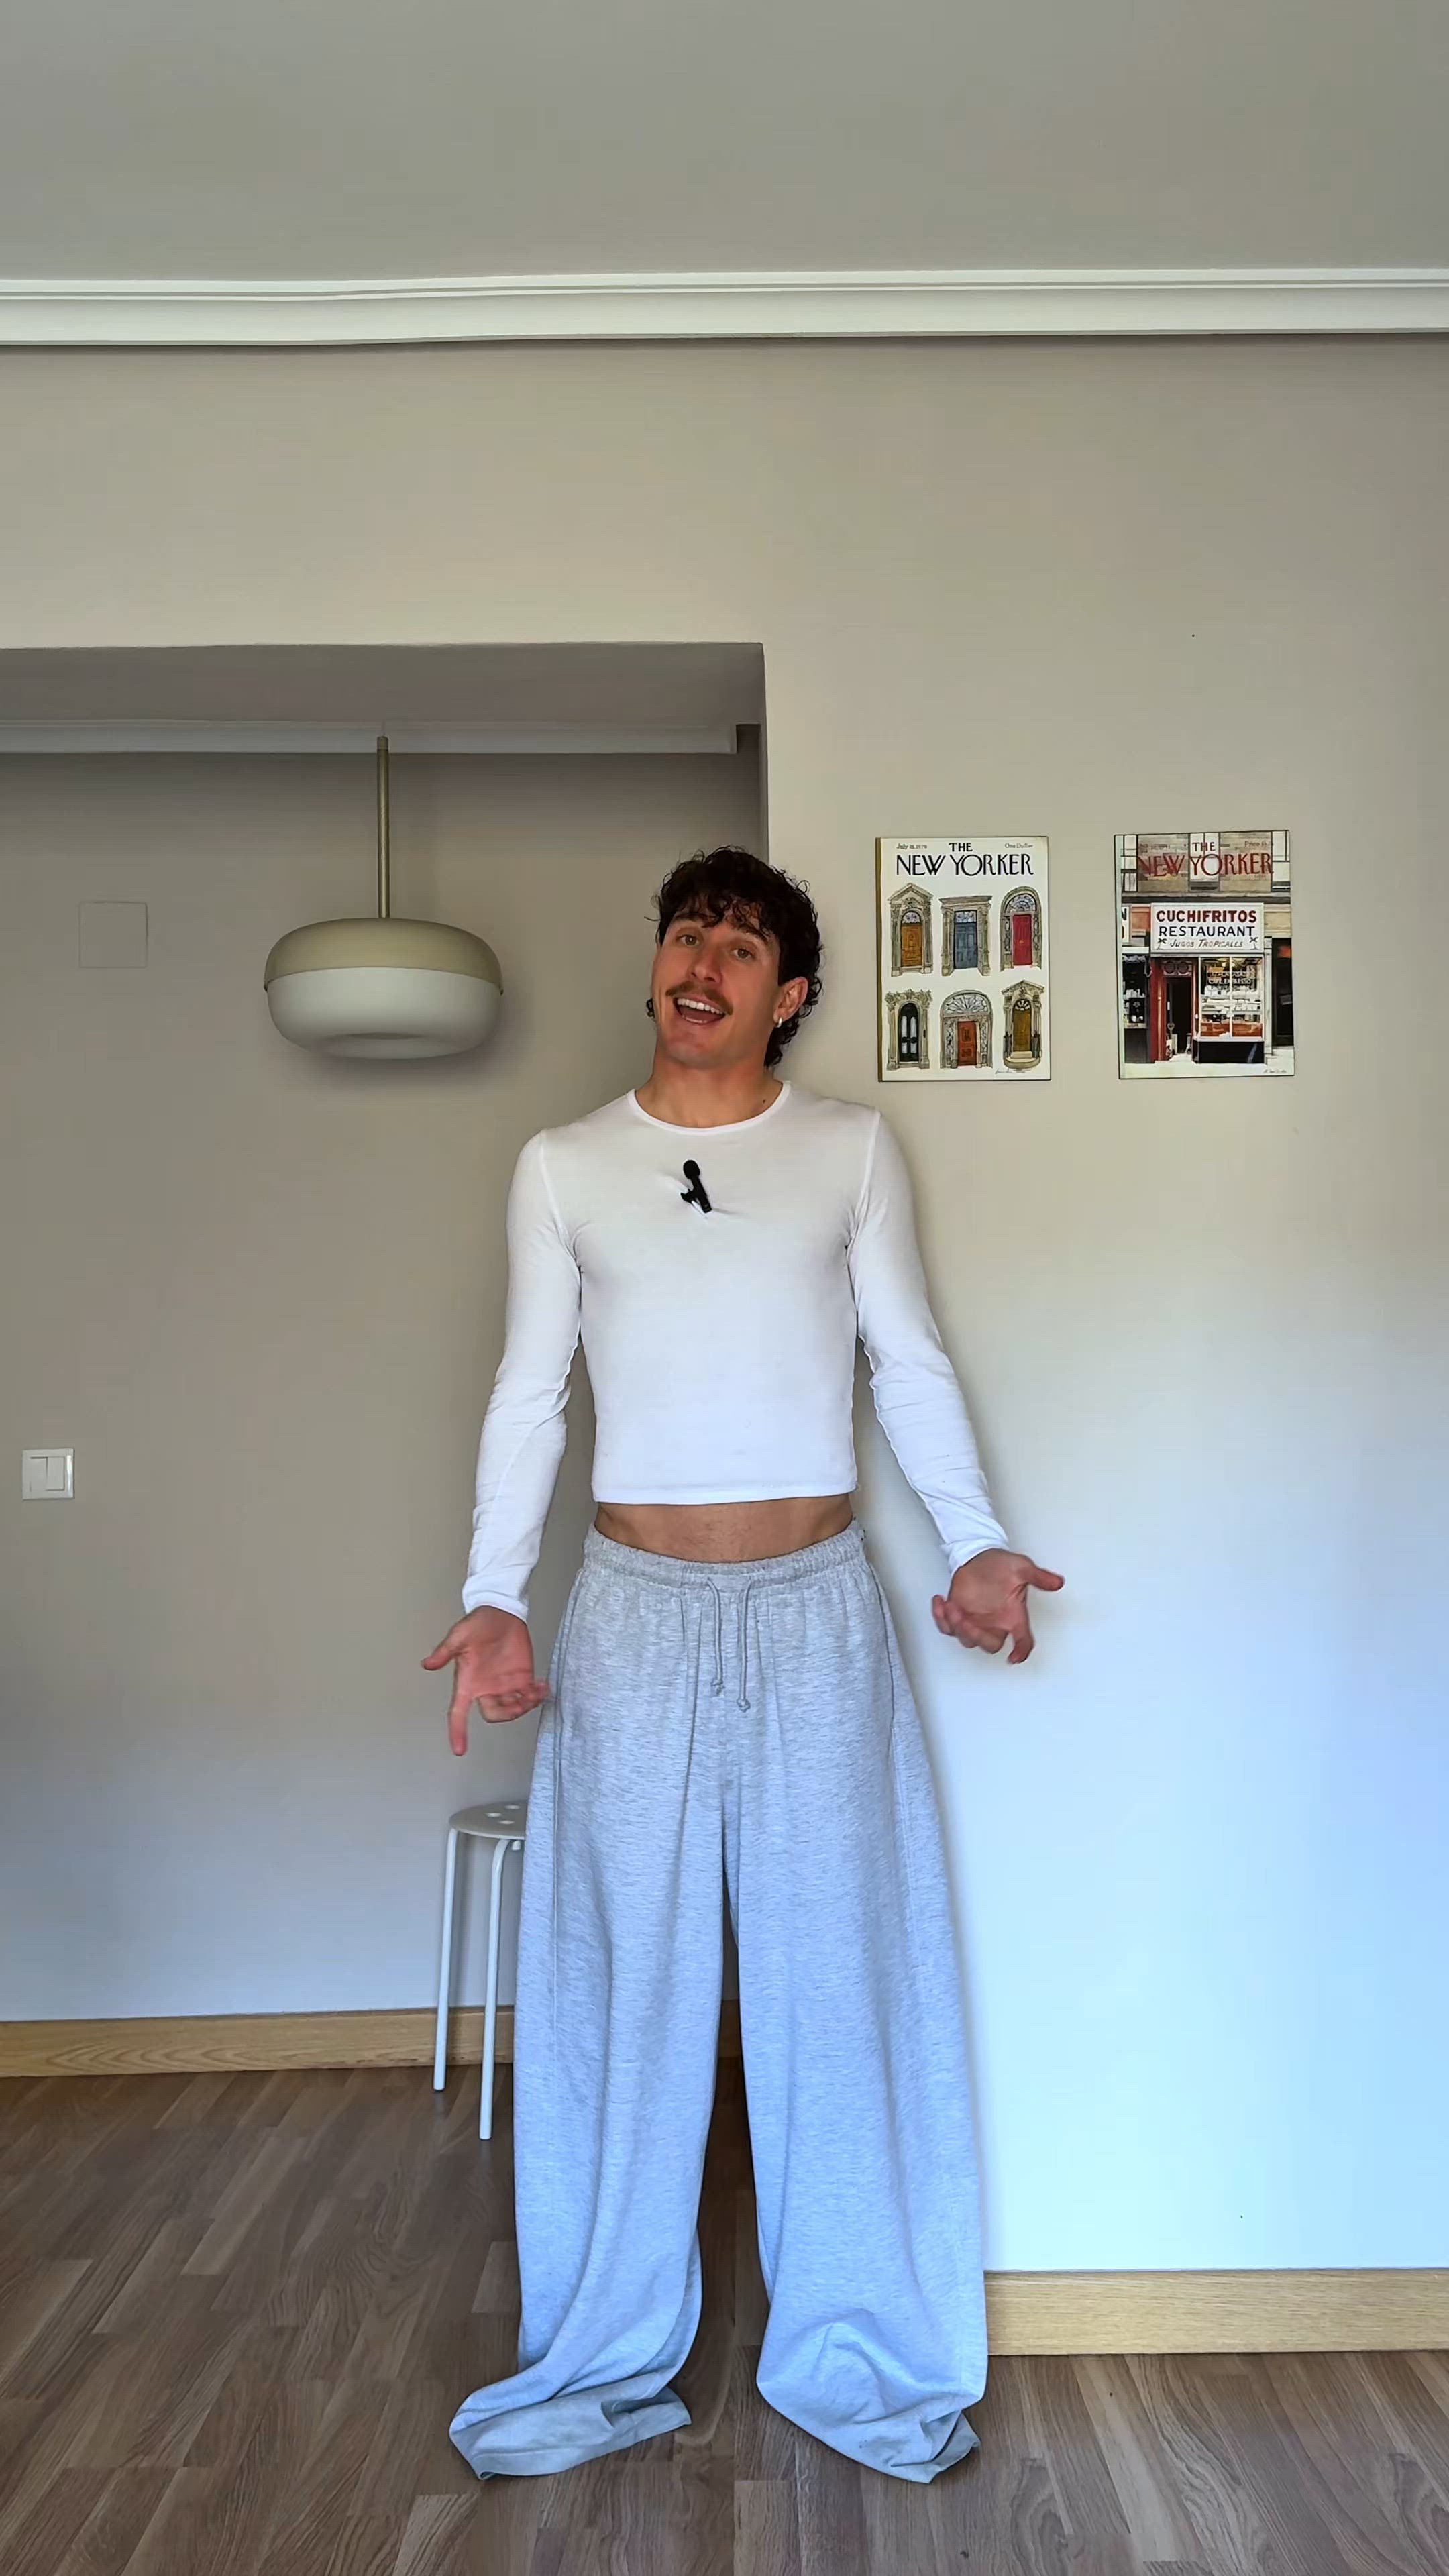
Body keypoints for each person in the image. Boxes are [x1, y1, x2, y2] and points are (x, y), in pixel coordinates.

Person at [425, 845, 1063, 2487]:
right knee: (619, 1986)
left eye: (743, 947)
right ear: (658, 964)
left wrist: (978, 1539)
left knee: (836, 1981)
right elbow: (529, 1395)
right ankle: (599, 2354)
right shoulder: (566, 1165)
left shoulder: (848, 1150)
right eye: (687, 935)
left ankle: (860, 2347)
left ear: (790, 997)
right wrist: (494, 1594)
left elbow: (908, 1362)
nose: (704, 963)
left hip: (818, 1611)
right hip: (633, 1614)